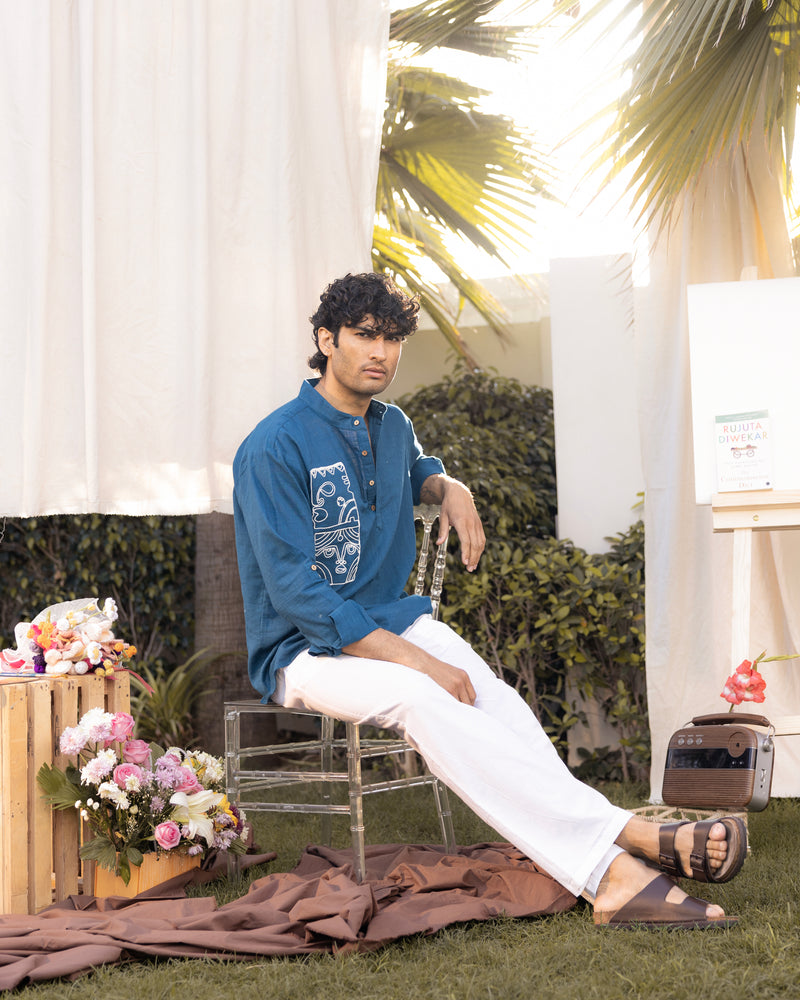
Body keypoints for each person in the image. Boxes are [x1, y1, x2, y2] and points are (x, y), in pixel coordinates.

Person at [233, 271, 746, 928]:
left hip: (391, 621)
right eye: (364, 336)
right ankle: (616, 865)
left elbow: (414, 463)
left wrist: (449, 485)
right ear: (325, 339)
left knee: (494, 699)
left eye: (392, 339)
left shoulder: (392, 426)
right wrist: (415, 664)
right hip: (304, 651)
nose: (380, 353)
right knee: (426, 697)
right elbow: (298, 594)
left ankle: (613, 842)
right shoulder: (272, 446)